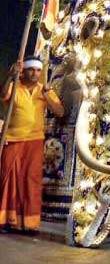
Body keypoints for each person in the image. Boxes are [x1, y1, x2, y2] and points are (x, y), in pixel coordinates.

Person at [0, 56, 64, 232]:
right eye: (30, 70)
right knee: (8, 179)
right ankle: (5, 220)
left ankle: (29, 223)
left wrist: (46, 95)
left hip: (34, 140)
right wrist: (10, 76)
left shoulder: (44, 90)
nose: (35, 73)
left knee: (31, 180)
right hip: (12, 138)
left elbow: (59, 111)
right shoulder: (14, 86)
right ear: (23, 71)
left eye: (38, 70)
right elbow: (3, 94)